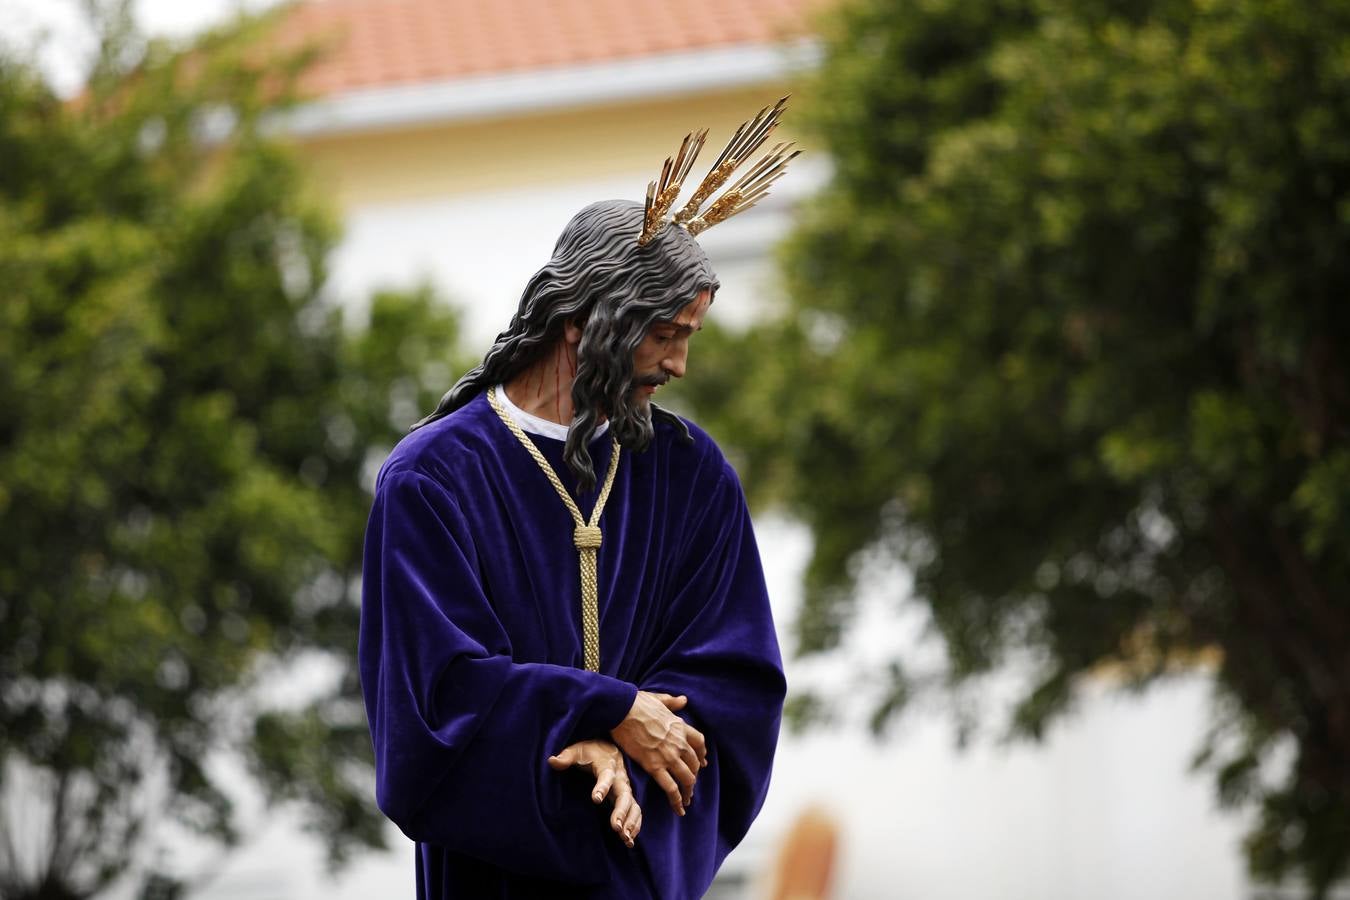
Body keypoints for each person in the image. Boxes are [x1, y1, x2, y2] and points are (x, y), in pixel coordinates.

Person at [359, 100, 797, 899]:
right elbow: (433, 707)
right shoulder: (433, 480)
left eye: (689, 336)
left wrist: (622, 742)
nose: (679, 365)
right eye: (663, 334)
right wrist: (599, 714)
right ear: (582, 321)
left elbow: (735, 684)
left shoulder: (691, 475)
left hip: (635, 874)